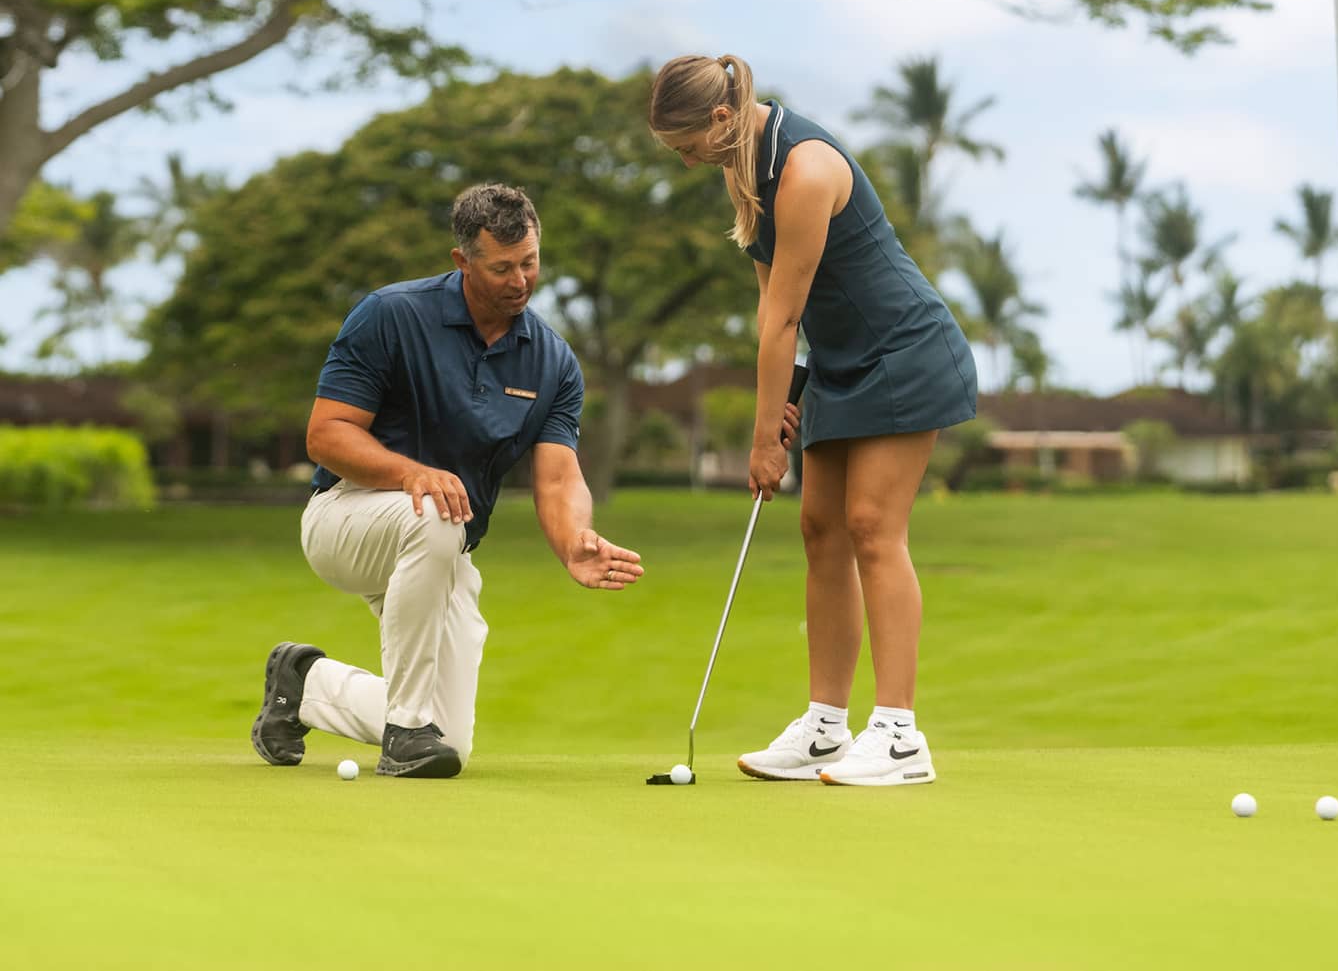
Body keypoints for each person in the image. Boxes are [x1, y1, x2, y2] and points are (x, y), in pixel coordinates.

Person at [649, 54, 978, 788]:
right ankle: (827, 727)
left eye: (685, 144)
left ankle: (898, 734)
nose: (685, 159)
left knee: (870, 525)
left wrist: (766, 440)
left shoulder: (803, 169)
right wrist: (790, 393)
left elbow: (781, 316)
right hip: (839, 361)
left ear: (721, 118)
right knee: (818, 527)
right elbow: (778, 307)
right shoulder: (749, 170)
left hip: (904, 351)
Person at [250, 182, 642, 779]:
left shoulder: (554, 362)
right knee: (436, 513)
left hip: (441, 543)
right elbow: (326, 435)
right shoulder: (389, 314)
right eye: (502, 267)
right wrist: (411, 473)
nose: (520, 280)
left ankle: (304, 684)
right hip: (344, 517)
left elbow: (560, 479)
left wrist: (573, 542)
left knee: (451, 740)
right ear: (462, 260)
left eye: (530, 263)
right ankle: (403, 730)